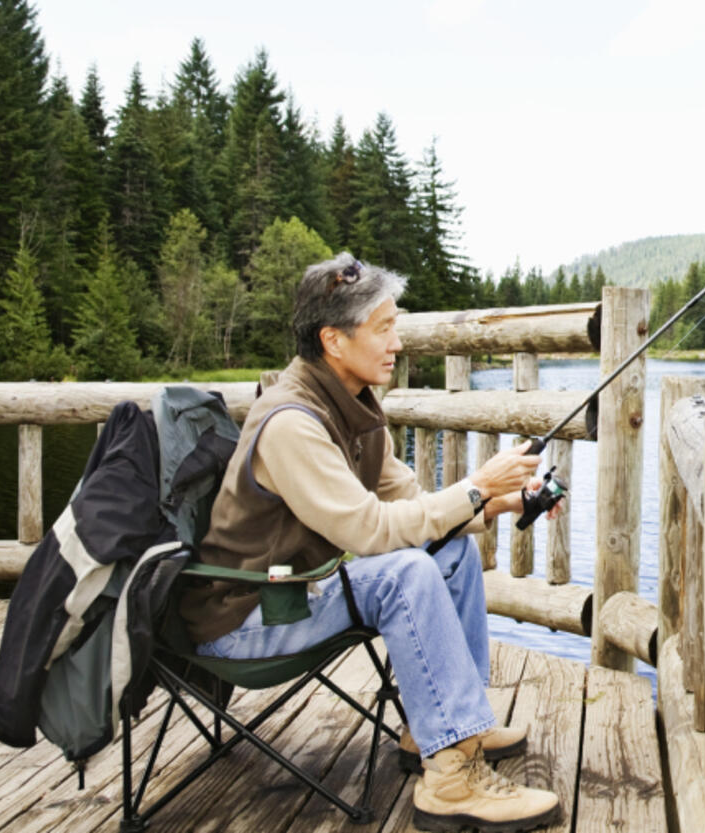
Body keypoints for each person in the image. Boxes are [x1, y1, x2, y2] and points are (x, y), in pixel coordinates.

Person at [178, 252, 561, 832]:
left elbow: (412, 508)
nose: (397, 342)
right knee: (405, 572)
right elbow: (370, 531)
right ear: (333, 339)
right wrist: (477, 485)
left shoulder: (351, 407)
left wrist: (498, 503)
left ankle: (445, 729)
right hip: (244, 619)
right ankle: (452, 782)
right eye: (384, 328)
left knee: (449, 553)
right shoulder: (291, 423)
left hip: (292, 596)